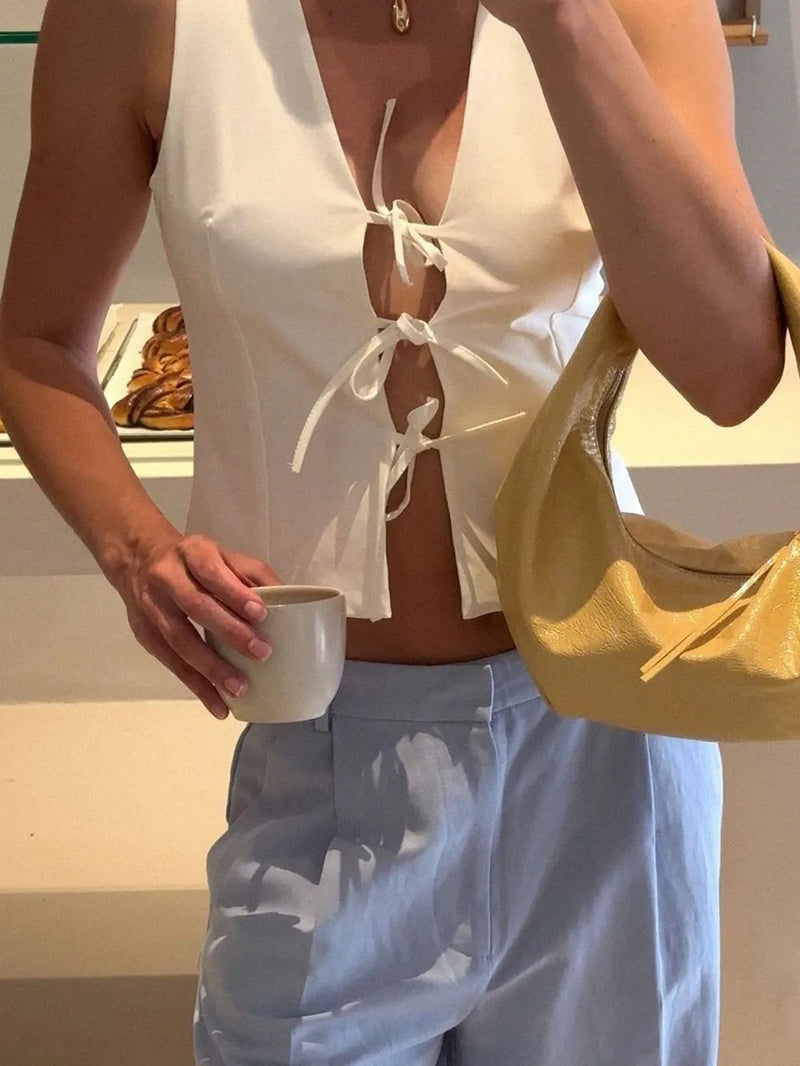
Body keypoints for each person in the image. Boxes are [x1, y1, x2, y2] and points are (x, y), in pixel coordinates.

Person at [0, 0, 786, 1063]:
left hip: (605, 744)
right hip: (317, 743)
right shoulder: (140, 15)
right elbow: (37, 342)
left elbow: (733, 370)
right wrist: (135, 551)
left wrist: (566, 25)